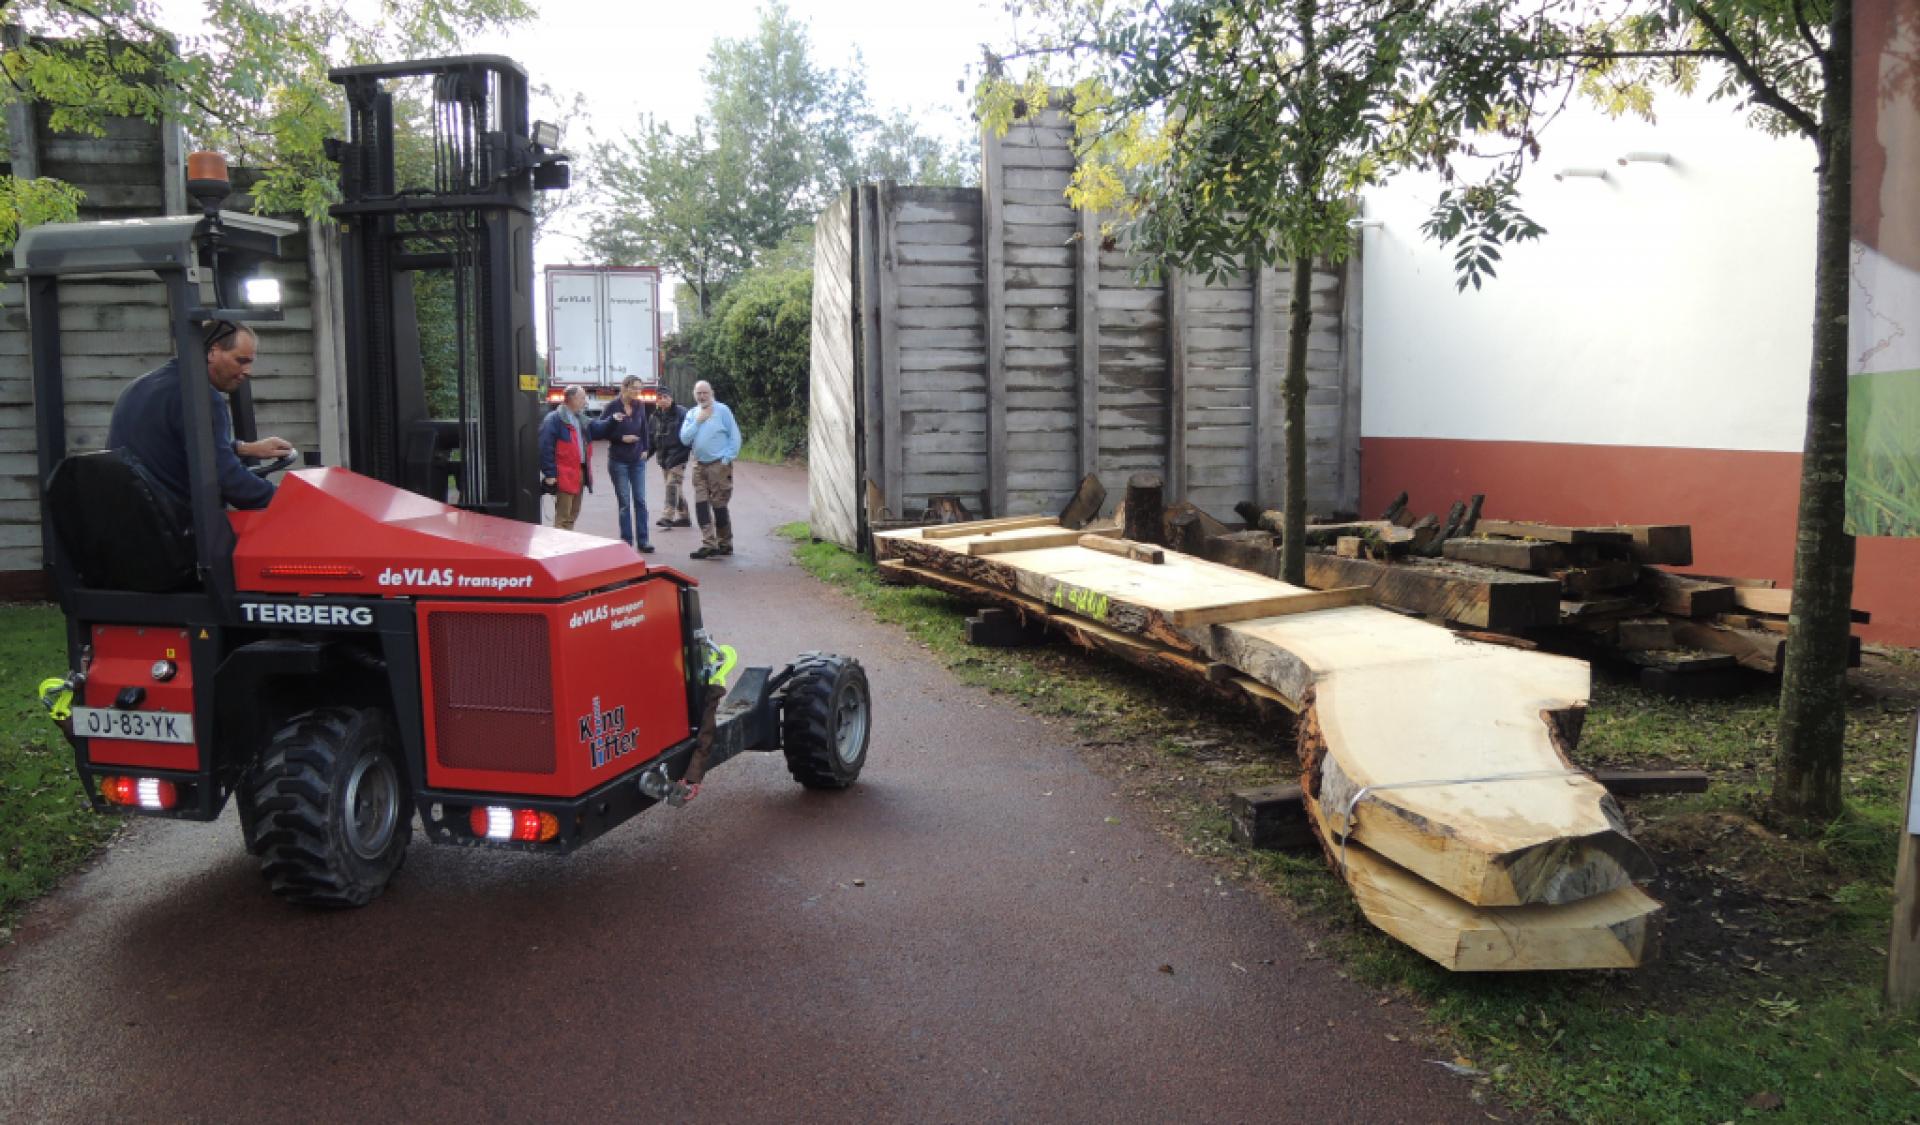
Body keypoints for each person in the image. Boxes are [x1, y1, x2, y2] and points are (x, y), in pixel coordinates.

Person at [107, 320, 294, 511]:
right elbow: (229, 482)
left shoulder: (140, 386)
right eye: (241, 361)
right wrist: (288, 497)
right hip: (180, 526)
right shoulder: (200, 397)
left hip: (138, 518)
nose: (248, 371)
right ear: (213, 352)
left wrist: (243, 448)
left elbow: (172, 445)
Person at [589, 376, 655, 552]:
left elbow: (644, 428)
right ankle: (626, 541)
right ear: (624, 387)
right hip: (619, 461)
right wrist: (620, 438)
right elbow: (600, 430)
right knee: (625, 502)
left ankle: (644, 540)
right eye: (634, 388)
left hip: (637, 461)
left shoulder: (639, 405)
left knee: (640, 500)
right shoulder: (612, 407)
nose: (637, 392)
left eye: (640, 389)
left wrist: (646, 448)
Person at [678, 380, 741, 559]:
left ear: (711, 393)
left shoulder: (723, 410)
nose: (702, 396)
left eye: (705, 393)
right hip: (699, 465)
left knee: (719, 505)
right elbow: (684, 438)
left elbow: (734, 436)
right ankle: (708, 543)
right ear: (694, 395)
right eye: (699, 393)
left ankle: (725, 543)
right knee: (701, 504)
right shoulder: (692, 414)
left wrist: (726, 459)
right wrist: (698, 422)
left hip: (718, 465)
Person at [539, 386, 595, 531]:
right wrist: (550, 474)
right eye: (582, 398)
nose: (585, 401)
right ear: (572, 399)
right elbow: (545, 447)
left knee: (572, 514)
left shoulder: (579, 418)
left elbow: (598, 429)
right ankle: (560, 549)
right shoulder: (553, 420)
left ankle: (567, 546)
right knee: (563, 517)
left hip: (579, 471)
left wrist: (613, 421)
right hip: (564, 474)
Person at [649, 384, 691, 529]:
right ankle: (684, 517)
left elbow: (691, 433)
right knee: (675, 487)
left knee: (671, 485)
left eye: (665, 397)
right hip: (664, 458)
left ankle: (667, 516)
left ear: (671, 398)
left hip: (679, 455)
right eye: (659, 397)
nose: (662, 400)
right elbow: (651, 439)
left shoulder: (683, 413)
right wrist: (645, 455)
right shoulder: (654, 416)